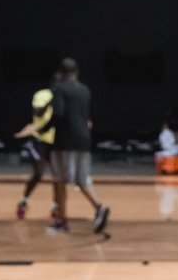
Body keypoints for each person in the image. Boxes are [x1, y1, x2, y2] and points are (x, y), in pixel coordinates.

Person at [48, 57, 110, 233]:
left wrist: (42, 128)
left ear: (61, 73)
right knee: (82, 180)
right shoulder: (85, 90)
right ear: (77, 72)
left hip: (65, 141)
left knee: (59, 181)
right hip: (84, 140)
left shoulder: (59, 89)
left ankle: (61, 222)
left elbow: (58, 114)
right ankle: (99, 207)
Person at [14, 70, 60, 219]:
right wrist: (51, 101)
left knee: (57, 176)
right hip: (40, 141)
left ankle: (56, 206)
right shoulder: (42, 95)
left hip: (57, 141)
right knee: (38, 174)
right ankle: (24, 201)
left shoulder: (64, 97)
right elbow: (38, 112)